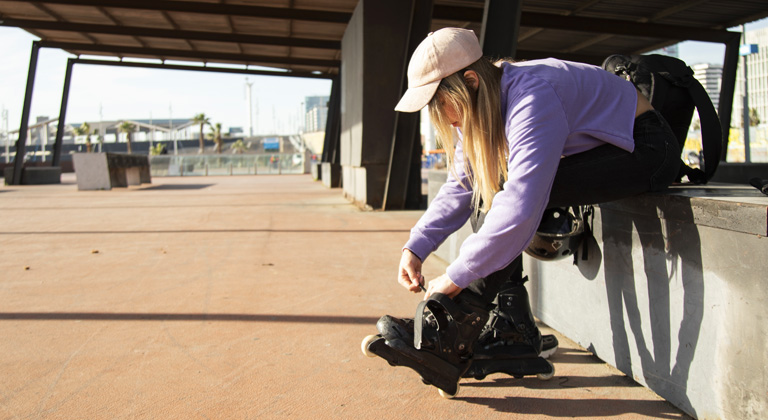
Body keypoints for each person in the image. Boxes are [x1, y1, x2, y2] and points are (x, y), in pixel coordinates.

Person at [373, 27, 681, 392]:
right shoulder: (478, 104)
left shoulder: (532, 96)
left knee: (506, 190)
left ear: (470, 81)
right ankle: (510, 328)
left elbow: (521, 201)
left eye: (440, 102)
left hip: (647, 148)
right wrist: (416, 246)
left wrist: (454, 280)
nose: (441, 116)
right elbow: (463, 185)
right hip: (604, 152)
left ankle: (454, 329)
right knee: (487, 186)